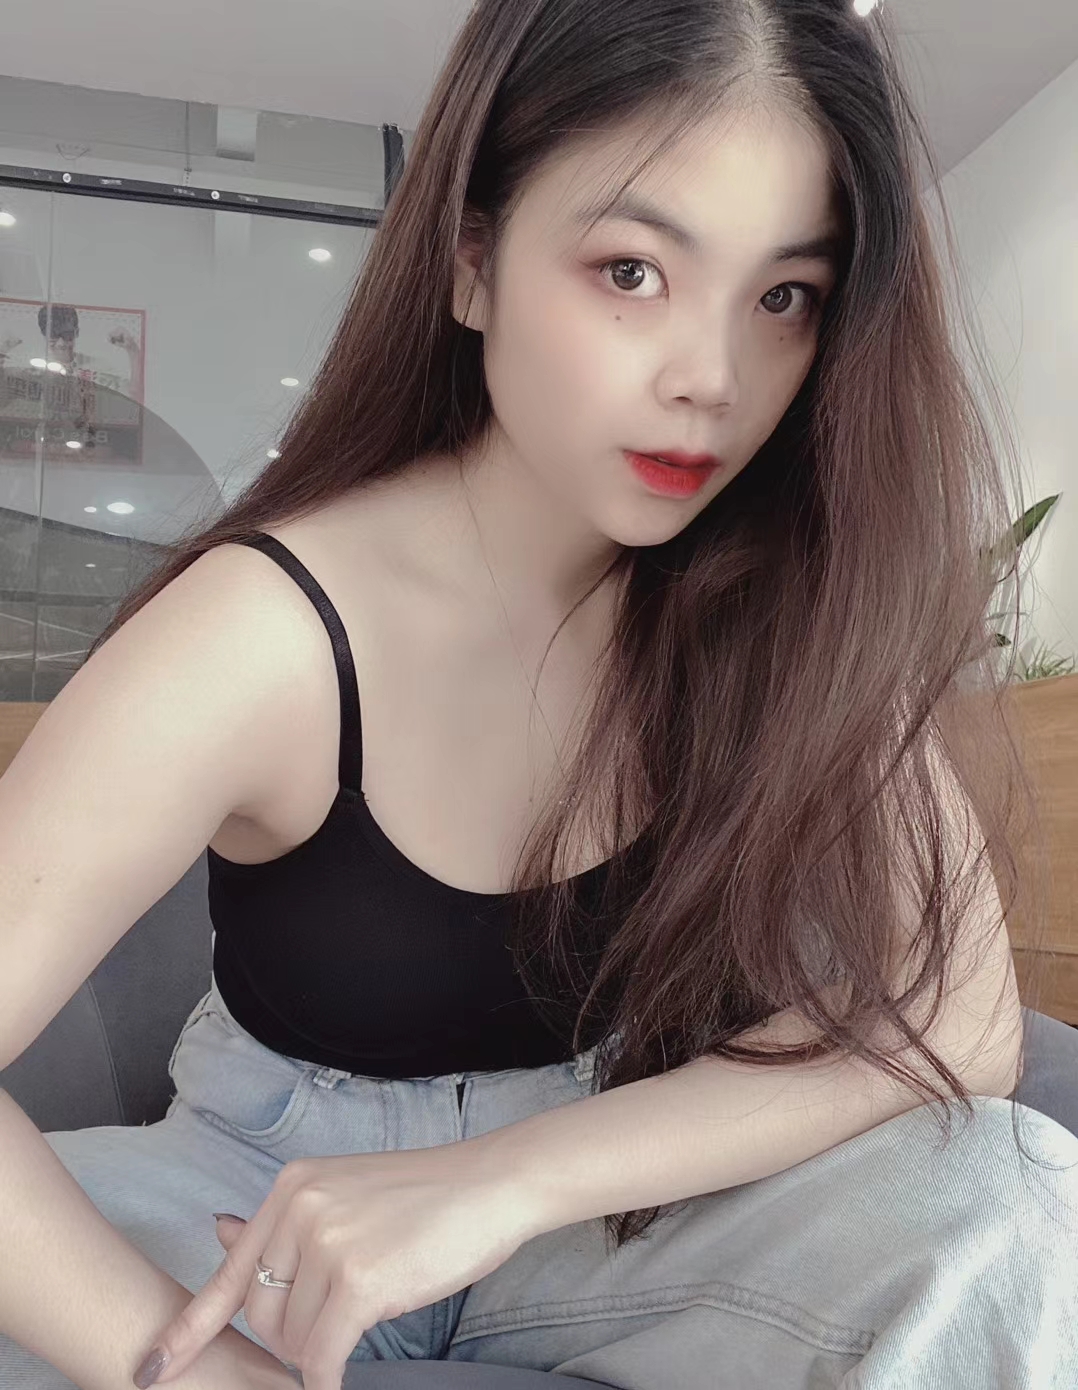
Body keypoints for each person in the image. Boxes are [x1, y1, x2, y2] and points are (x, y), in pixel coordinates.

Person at [0, 1, 1075, 1388]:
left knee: (1012, 1199)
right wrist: (206, 1378)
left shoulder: (786, 596)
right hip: (250, 1198)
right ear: (472, 263)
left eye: (783, 298)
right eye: (631, 271)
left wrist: (505, 1179)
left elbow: (960, 1020)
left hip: (607, 1200)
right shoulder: (261, 631)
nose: (710, 381)